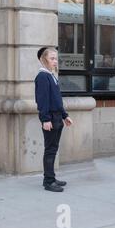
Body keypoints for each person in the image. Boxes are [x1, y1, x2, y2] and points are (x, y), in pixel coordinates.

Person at [35, 47, 73, 192]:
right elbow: (42, 100)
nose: (55, 61)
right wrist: (45, 119)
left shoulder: (51, 75)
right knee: (50, 150)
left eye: (56, 58)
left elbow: (57, 100)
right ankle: (48, 181)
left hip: (57, 117)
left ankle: (52, 177)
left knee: (53, 149)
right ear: (43, 59)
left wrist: (65, 115)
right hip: (50, 118)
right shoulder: (42, 77)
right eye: (52, 58)